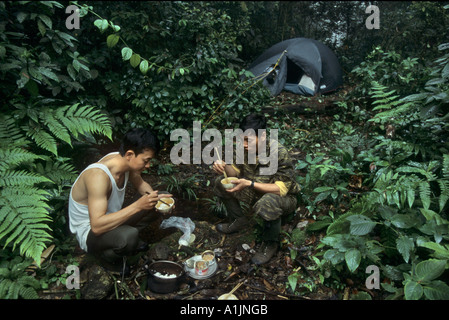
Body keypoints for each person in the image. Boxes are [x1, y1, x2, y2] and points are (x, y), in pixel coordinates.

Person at [68, 128, 171, 273]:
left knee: (158, 199)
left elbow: (142, 186)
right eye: (146, 161)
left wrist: (159, 201)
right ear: (130, 154)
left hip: (111, 220)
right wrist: (138, 206)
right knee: (129, 236)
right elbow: (97, 226)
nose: (148, 166)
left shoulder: (125, 162)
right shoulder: (98, 176)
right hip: (91, 232)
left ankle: (123, 241)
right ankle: (106, 258)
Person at [212, 113, 300, 265]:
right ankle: (239, 220)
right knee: (220, 182)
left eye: (248, 140)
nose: (244, 144)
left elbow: (281, 189)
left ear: (263, 136)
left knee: (267, 202)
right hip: (253, 189)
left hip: (282, 198)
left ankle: (270, 243)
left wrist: (249, 184)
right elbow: (236, 172)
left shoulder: (278, 152)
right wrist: (224, 166)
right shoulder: (243, 148)